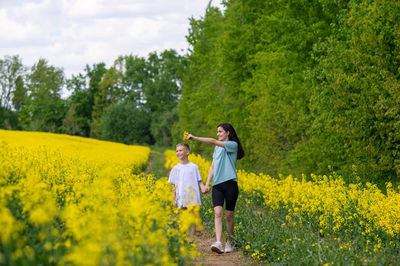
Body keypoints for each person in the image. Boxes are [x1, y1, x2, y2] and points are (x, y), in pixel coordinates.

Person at [185, 123, 244, 254]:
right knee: (218, 213)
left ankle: (229, 240)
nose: (217, 134)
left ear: (228, 133)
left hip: (230, 183)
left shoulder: (232, 145)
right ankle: (218, 242)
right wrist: (206, 184)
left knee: (229, 215)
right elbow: (212, 167)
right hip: (217, 185)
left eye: (220, 131)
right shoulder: (217, 149)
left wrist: (194, 137)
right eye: (217, 132)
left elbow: (212, 141)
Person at [168, 142, 205, 241]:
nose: (178, 152)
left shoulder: (194, 167)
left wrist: (203, 187)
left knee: (192, 216)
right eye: (177, 151)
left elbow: (199, 180)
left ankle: (191, 238)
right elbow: (173, 185)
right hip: (182, 196)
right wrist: (173, 197)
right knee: (183, 217)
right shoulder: (175, 168)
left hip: (193, 196)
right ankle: (183, 236)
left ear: (187, 152)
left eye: (180, 150)